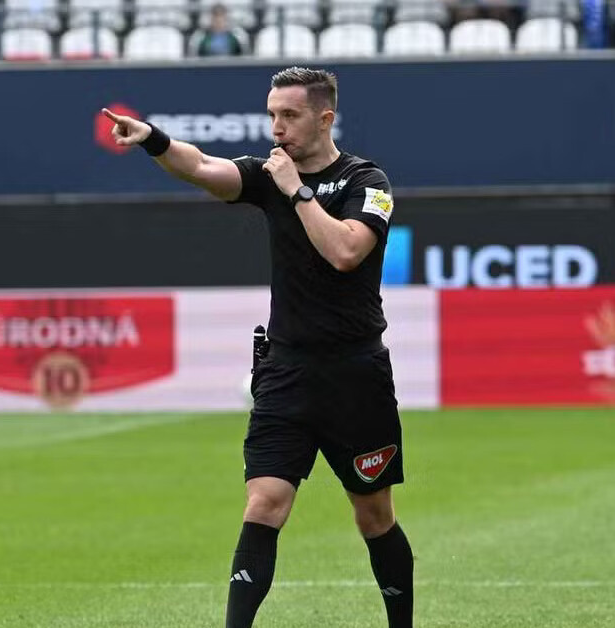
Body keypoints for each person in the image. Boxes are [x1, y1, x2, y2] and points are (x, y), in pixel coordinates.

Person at [101, 67, 413, 628]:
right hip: (286, 372)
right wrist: (153, 139)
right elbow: (202, 167)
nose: (277, 128)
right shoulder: (268, 173)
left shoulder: (367, 180)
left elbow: (346, 252)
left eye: (289, 115)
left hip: (356, 376)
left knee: (373, 516)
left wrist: (297, 191)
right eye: (272, 115)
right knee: (264, 503)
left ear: (325, 118)